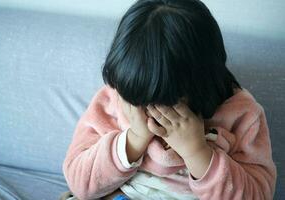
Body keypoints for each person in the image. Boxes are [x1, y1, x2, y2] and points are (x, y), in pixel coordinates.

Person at [62, 0, 277, 199]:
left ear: (203, 83)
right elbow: (80, 183)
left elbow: (258, 195)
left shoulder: (242, 115)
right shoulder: (115, 98)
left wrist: (196, 151)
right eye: (139, 101)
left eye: (163, 102)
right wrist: (133, 139)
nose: (149, 112)